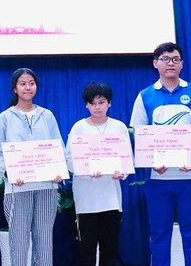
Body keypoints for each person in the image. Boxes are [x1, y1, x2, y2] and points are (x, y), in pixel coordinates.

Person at [130, 42, 191, 266]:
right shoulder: (145, 96)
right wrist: (151, 160)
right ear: (156, 63)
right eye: (165, 59)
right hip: (158, 179)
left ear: (182, 64)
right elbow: (139, 132)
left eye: (175, 59)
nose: (170, 63)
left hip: (189, 178)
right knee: (159, 236)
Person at [0, 68, 63, 266]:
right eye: (22, 83)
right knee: (18, 243)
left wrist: (58, 172)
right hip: (17, 188)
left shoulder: (47, 116)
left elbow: (58, 148)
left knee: (45, 241)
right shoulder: (6, 117)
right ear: (15, 88)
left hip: (46, 187)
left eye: (31, 83)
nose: (27, 87)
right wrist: (9, 173)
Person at [65, 82, 127, 266]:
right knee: (87, 251)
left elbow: (126, 159)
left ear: (110, 103)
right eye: (93, 103)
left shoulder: (119, 127)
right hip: (86, 199)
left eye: (101, 102)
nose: (97, 107)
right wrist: (87, 171)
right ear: (86, 105)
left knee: (110, 249)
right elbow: (69, 160)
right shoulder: (78, 128)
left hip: (111, 198)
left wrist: (121, 172)